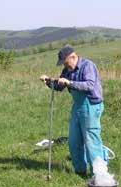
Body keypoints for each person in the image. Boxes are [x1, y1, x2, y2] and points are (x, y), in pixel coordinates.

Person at [40, 45, 107, 177]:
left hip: (91, 105)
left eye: (65, 63)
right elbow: (59, 87)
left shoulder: (87, 66)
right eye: (63, 64)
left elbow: (89, 85)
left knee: (91, 141)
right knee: (74, 141)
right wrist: (48, 81)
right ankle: (80, 171)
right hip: (78, 106)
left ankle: (99, 174)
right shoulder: (67, 70)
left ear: (73, 57)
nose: (65, 66)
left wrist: (69, 82)